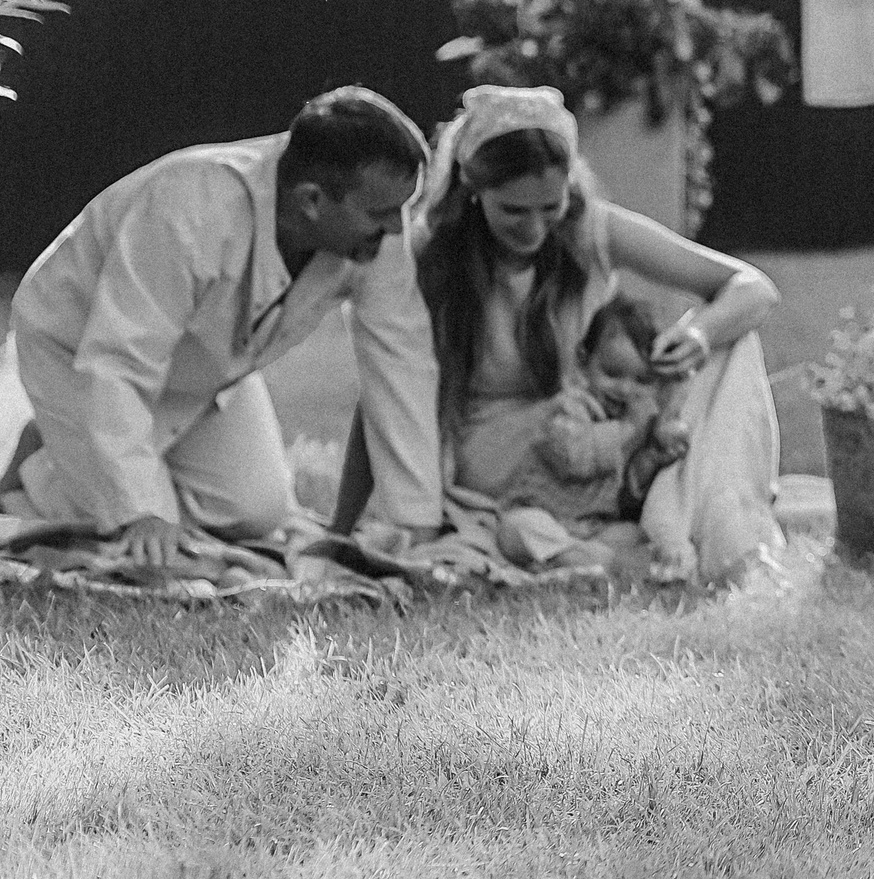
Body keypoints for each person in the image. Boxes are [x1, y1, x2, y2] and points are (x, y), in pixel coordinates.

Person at [336, 84, 784, 583]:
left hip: (598, 435)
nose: (534, 229)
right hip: (509, 461)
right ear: (472, 188)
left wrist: (699, 335)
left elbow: (753, 288)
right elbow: (385, 388)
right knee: (536, 517)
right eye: (513, 210)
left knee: (733, 341)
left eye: (548, 207)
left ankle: (729, 539)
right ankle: (639, 544)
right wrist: (343, 523)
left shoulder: (590, 226)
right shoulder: (432, 251)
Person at [0, 88, 443, 561]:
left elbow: (403, 359)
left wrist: (414, 521)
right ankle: (41, 472)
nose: (398, 229)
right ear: (311, 200)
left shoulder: (371, 225)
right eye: (381, 214)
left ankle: (69, 458)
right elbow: (117, 359)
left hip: (201, 365)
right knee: (135, 531)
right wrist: (142, 511)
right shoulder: (191, 205)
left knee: (256, 515)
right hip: (75, 345)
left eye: (403, 208)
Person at [458, 295, 694, 577]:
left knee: (634, 534)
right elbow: (575, 457)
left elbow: (625, 493)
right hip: (544, 513)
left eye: (641, 381)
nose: (625, 389)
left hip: (593, 527)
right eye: (612, 373)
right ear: (584, 362)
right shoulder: (569, 407)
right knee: (517, 530)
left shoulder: (636, 421)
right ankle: (601, 564)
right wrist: (630, 429)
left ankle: (579, 561)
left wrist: (648, 461)